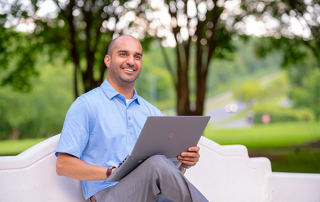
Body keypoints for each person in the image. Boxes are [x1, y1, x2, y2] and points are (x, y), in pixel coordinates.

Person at [55, 35, 208, 202]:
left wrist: (183, 163)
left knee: (160, 169)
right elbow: (63, 165)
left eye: (137, 56)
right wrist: (111, 172)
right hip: (108, 196)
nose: (131, 61)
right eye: (123, 54)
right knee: (156, 163)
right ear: (108, 60)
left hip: (152, 196)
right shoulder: (86, 105)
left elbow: (165, 178)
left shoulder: (152, 112)